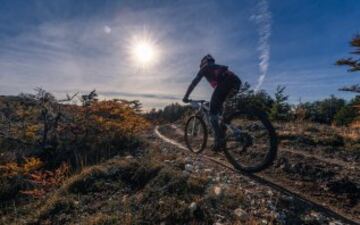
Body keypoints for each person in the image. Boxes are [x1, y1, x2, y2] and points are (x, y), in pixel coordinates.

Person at [183, 54, 241, 151]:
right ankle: (226, 137)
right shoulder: (215, 67)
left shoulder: (205, 68)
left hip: (225, 84)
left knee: (212, 115)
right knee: (222, 116)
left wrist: (186, 96)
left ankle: (219, 140)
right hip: (236, 83)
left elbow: (194, 83)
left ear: (203, 63)